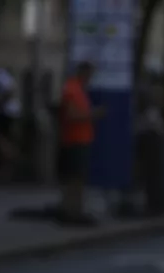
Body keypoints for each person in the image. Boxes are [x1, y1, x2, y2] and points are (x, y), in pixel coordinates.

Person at [58, 61, 103, 224]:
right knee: (74, 178)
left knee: (79, 177)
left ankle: (75, 210)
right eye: (89, 74)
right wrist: (92, 115)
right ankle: (70, 211)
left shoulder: (81, 90)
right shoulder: (72, 88)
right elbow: (71, 115)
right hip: (74, 139)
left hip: (82, 139)